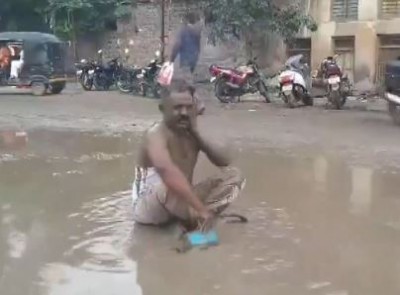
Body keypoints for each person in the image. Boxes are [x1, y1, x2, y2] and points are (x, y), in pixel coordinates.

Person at [132, 79, 245, 230]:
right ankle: (198, 221)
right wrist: (200, 209)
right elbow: (168, 173)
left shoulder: (191, 132)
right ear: (163, 109)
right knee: (168, 186)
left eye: (188, 107)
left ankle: (196, 222)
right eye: (177, 108)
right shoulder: (155, 134)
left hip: (182, 200)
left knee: (233, 175)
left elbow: (224, 161)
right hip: (150, 208)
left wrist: (196, 134)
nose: (184, 113)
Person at [169, 12, 205, 114]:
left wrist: (172, 59)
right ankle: (181, 106)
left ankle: (199, 104)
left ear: (185, 20)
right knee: (184, 84)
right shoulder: (196, 31)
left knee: (189, 83)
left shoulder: (183, 30)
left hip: (185, 59)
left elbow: (177, 44)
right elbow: (198, 46)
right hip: (193, 59)